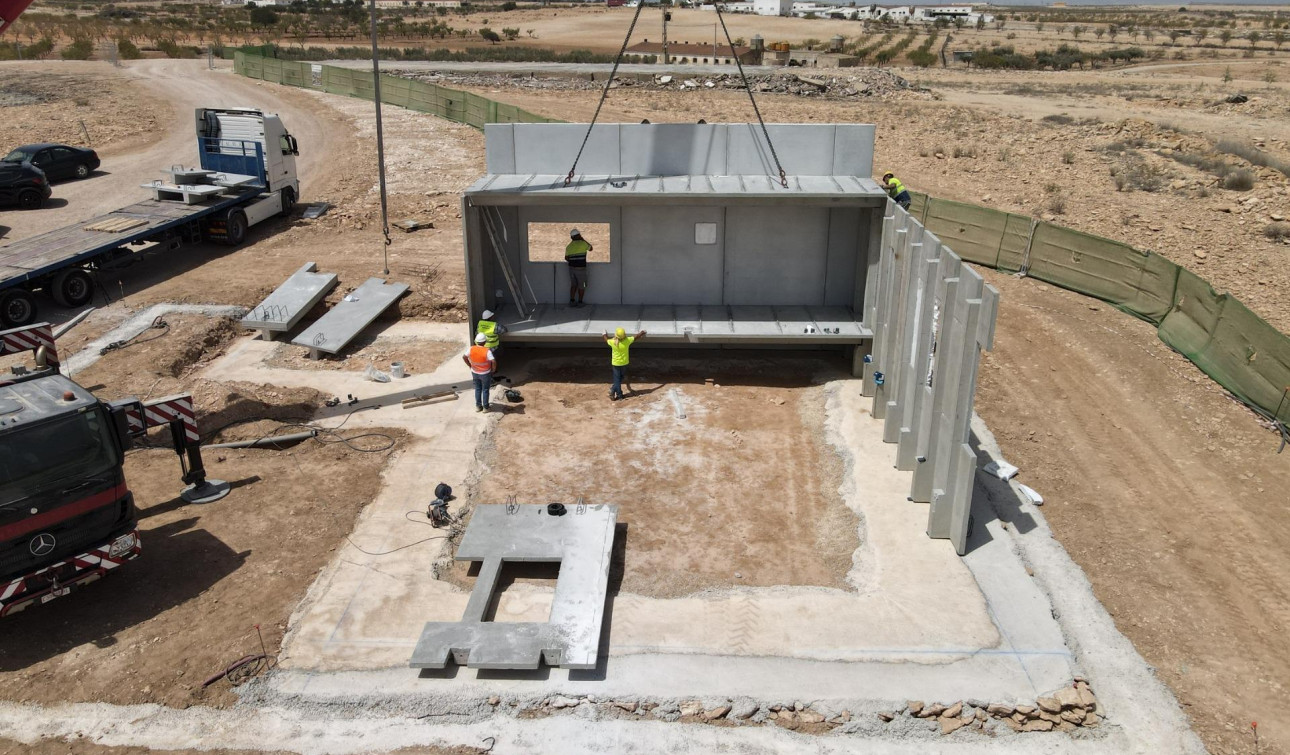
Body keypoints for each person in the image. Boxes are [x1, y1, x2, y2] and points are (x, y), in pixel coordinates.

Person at [602, 326, 646, 401]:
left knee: (617, 380)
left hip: (615, 364)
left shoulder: (613, 342)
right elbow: (636, 337)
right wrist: (641, 333)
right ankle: (619, 395)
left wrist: (604, 334)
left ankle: (614, 391)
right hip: (624, 363)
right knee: (620, 378)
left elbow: (606, 340)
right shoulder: (627, 341)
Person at [461, 332, 496, 412]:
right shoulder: (487, 351)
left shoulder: (471, 348)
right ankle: (486, 408)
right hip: (485, 373)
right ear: (484, 342)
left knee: (477, 389)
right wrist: (493, 370)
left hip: (475, 373)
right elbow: (493, 361)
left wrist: (470, 365)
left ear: (476, 341)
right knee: (485, 390)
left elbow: (464, 357)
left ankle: (478, 406)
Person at [566, 228, 592, 308]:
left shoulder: (569, 246)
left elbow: (566, 258)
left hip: (571, 269)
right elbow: (591, 248)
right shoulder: (583, 243)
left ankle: (572, 301)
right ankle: (580, 302)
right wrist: (583, 239)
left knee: (573, 285)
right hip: (581, 269)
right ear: (579, 235)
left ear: (571, 237)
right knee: (582, 285)